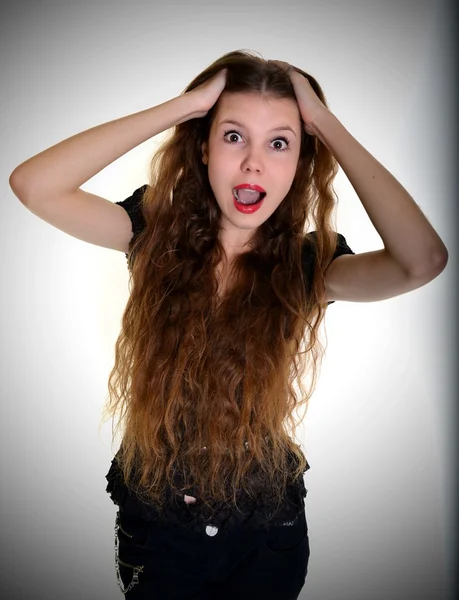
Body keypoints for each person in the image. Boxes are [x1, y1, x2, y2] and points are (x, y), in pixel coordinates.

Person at [9, 49, 448, 599]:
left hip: (266, 537)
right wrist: (185, 106)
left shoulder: (311, 266)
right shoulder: (153, 234)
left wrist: (327, 125)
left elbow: (421, 261)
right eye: (233, 136)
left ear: (302, 160)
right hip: (158, 531)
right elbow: (33, 184)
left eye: (280, 142)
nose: (253, 164)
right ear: (203, 145)